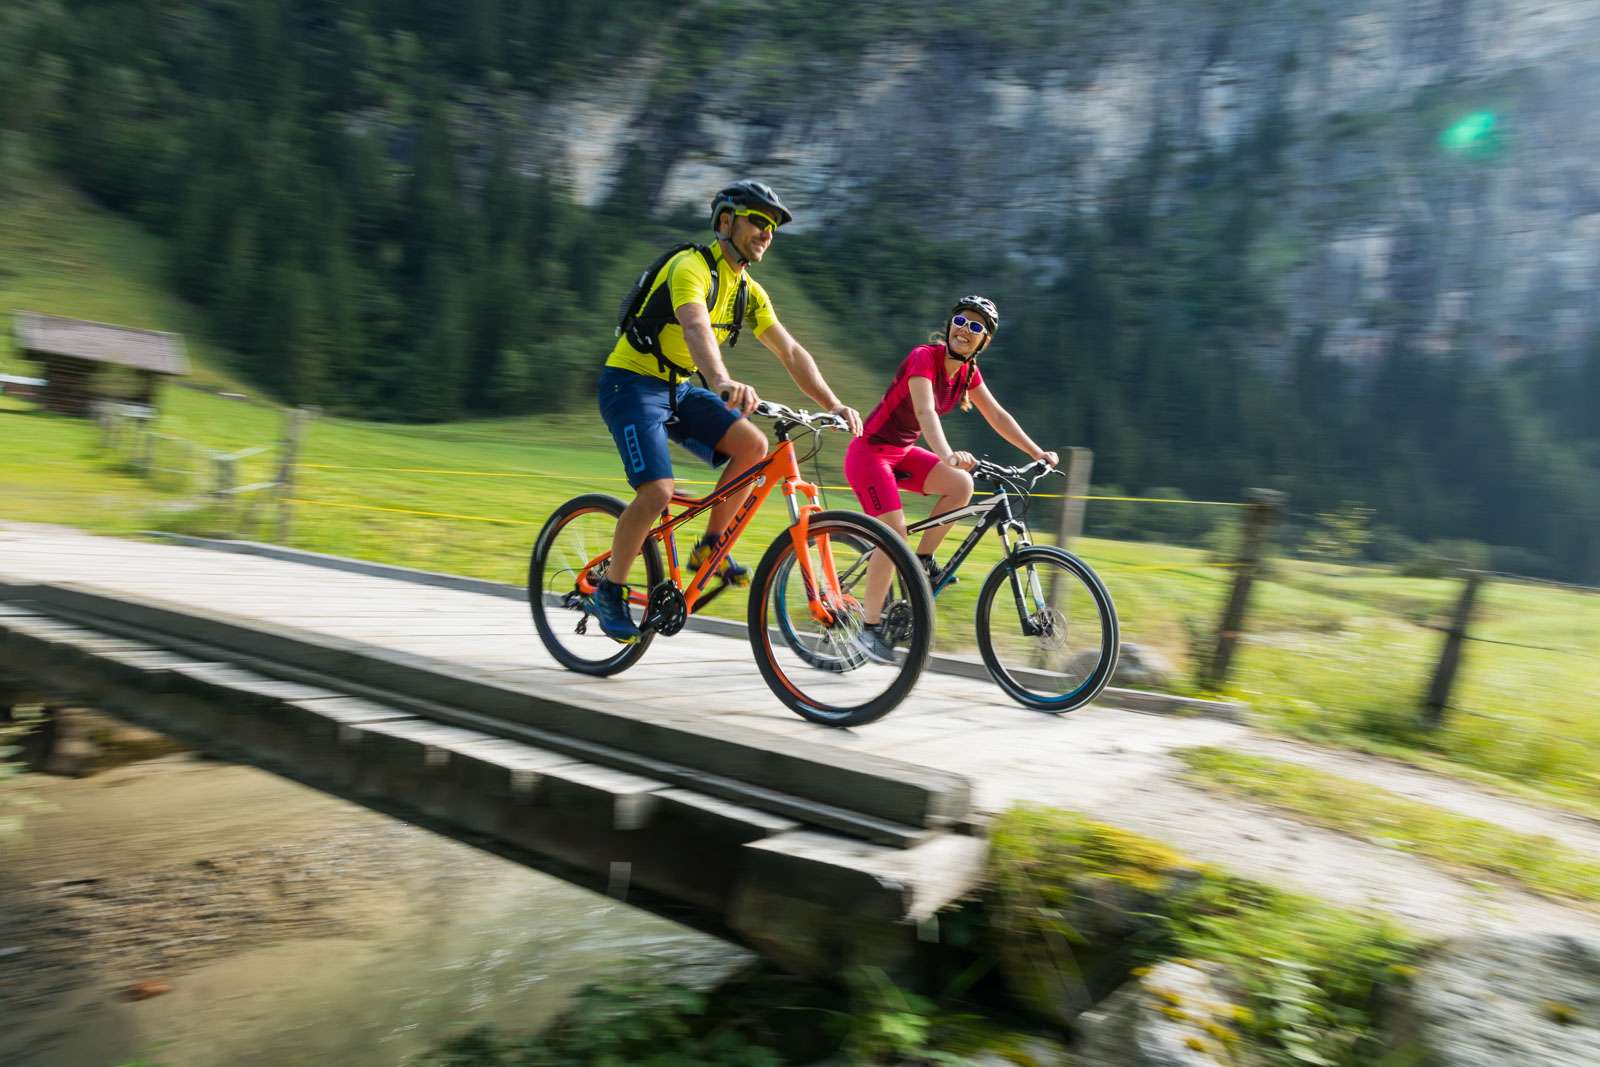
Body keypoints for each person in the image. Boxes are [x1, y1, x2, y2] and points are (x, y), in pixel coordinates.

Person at [587, 180, 864, 643]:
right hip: (630, 384)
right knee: (657, 492)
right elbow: (694, 324)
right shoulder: (690, 267)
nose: (766, 233)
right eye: (759, 221)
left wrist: (832, 403)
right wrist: (722, 383)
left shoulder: (748, 291)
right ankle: (610, 591)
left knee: (753, 445)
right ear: (725, 222)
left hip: (676, 387)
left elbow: (790, 351)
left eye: (772, 227)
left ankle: (709, 547)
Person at [843, 295, 1058, 661]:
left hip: (901, 453)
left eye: (976, 327)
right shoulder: (923, 358)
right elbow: (926, 411)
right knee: (893, 535)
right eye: (961, 321)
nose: (965, 330)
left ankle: (922, 562)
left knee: (961, 485)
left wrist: (1037, 453)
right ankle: (869, 629)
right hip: (870, 453)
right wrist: (947, 455)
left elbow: (998, 416)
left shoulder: (969, 374)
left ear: (984, 341)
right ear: (949, 325)